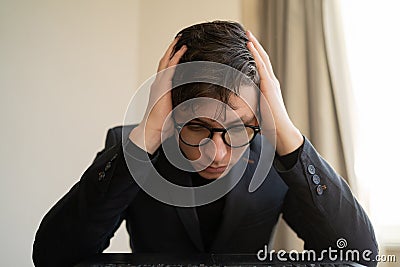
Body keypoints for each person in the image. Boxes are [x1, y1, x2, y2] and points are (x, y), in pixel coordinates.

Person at [32, 21, 378, 267]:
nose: (220, 152)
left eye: (240, 127)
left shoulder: (276, 156)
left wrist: (285, 133)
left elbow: (360, 255)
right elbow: (53, 256)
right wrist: (146, 138)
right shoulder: (131, 148)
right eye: (198, 126)